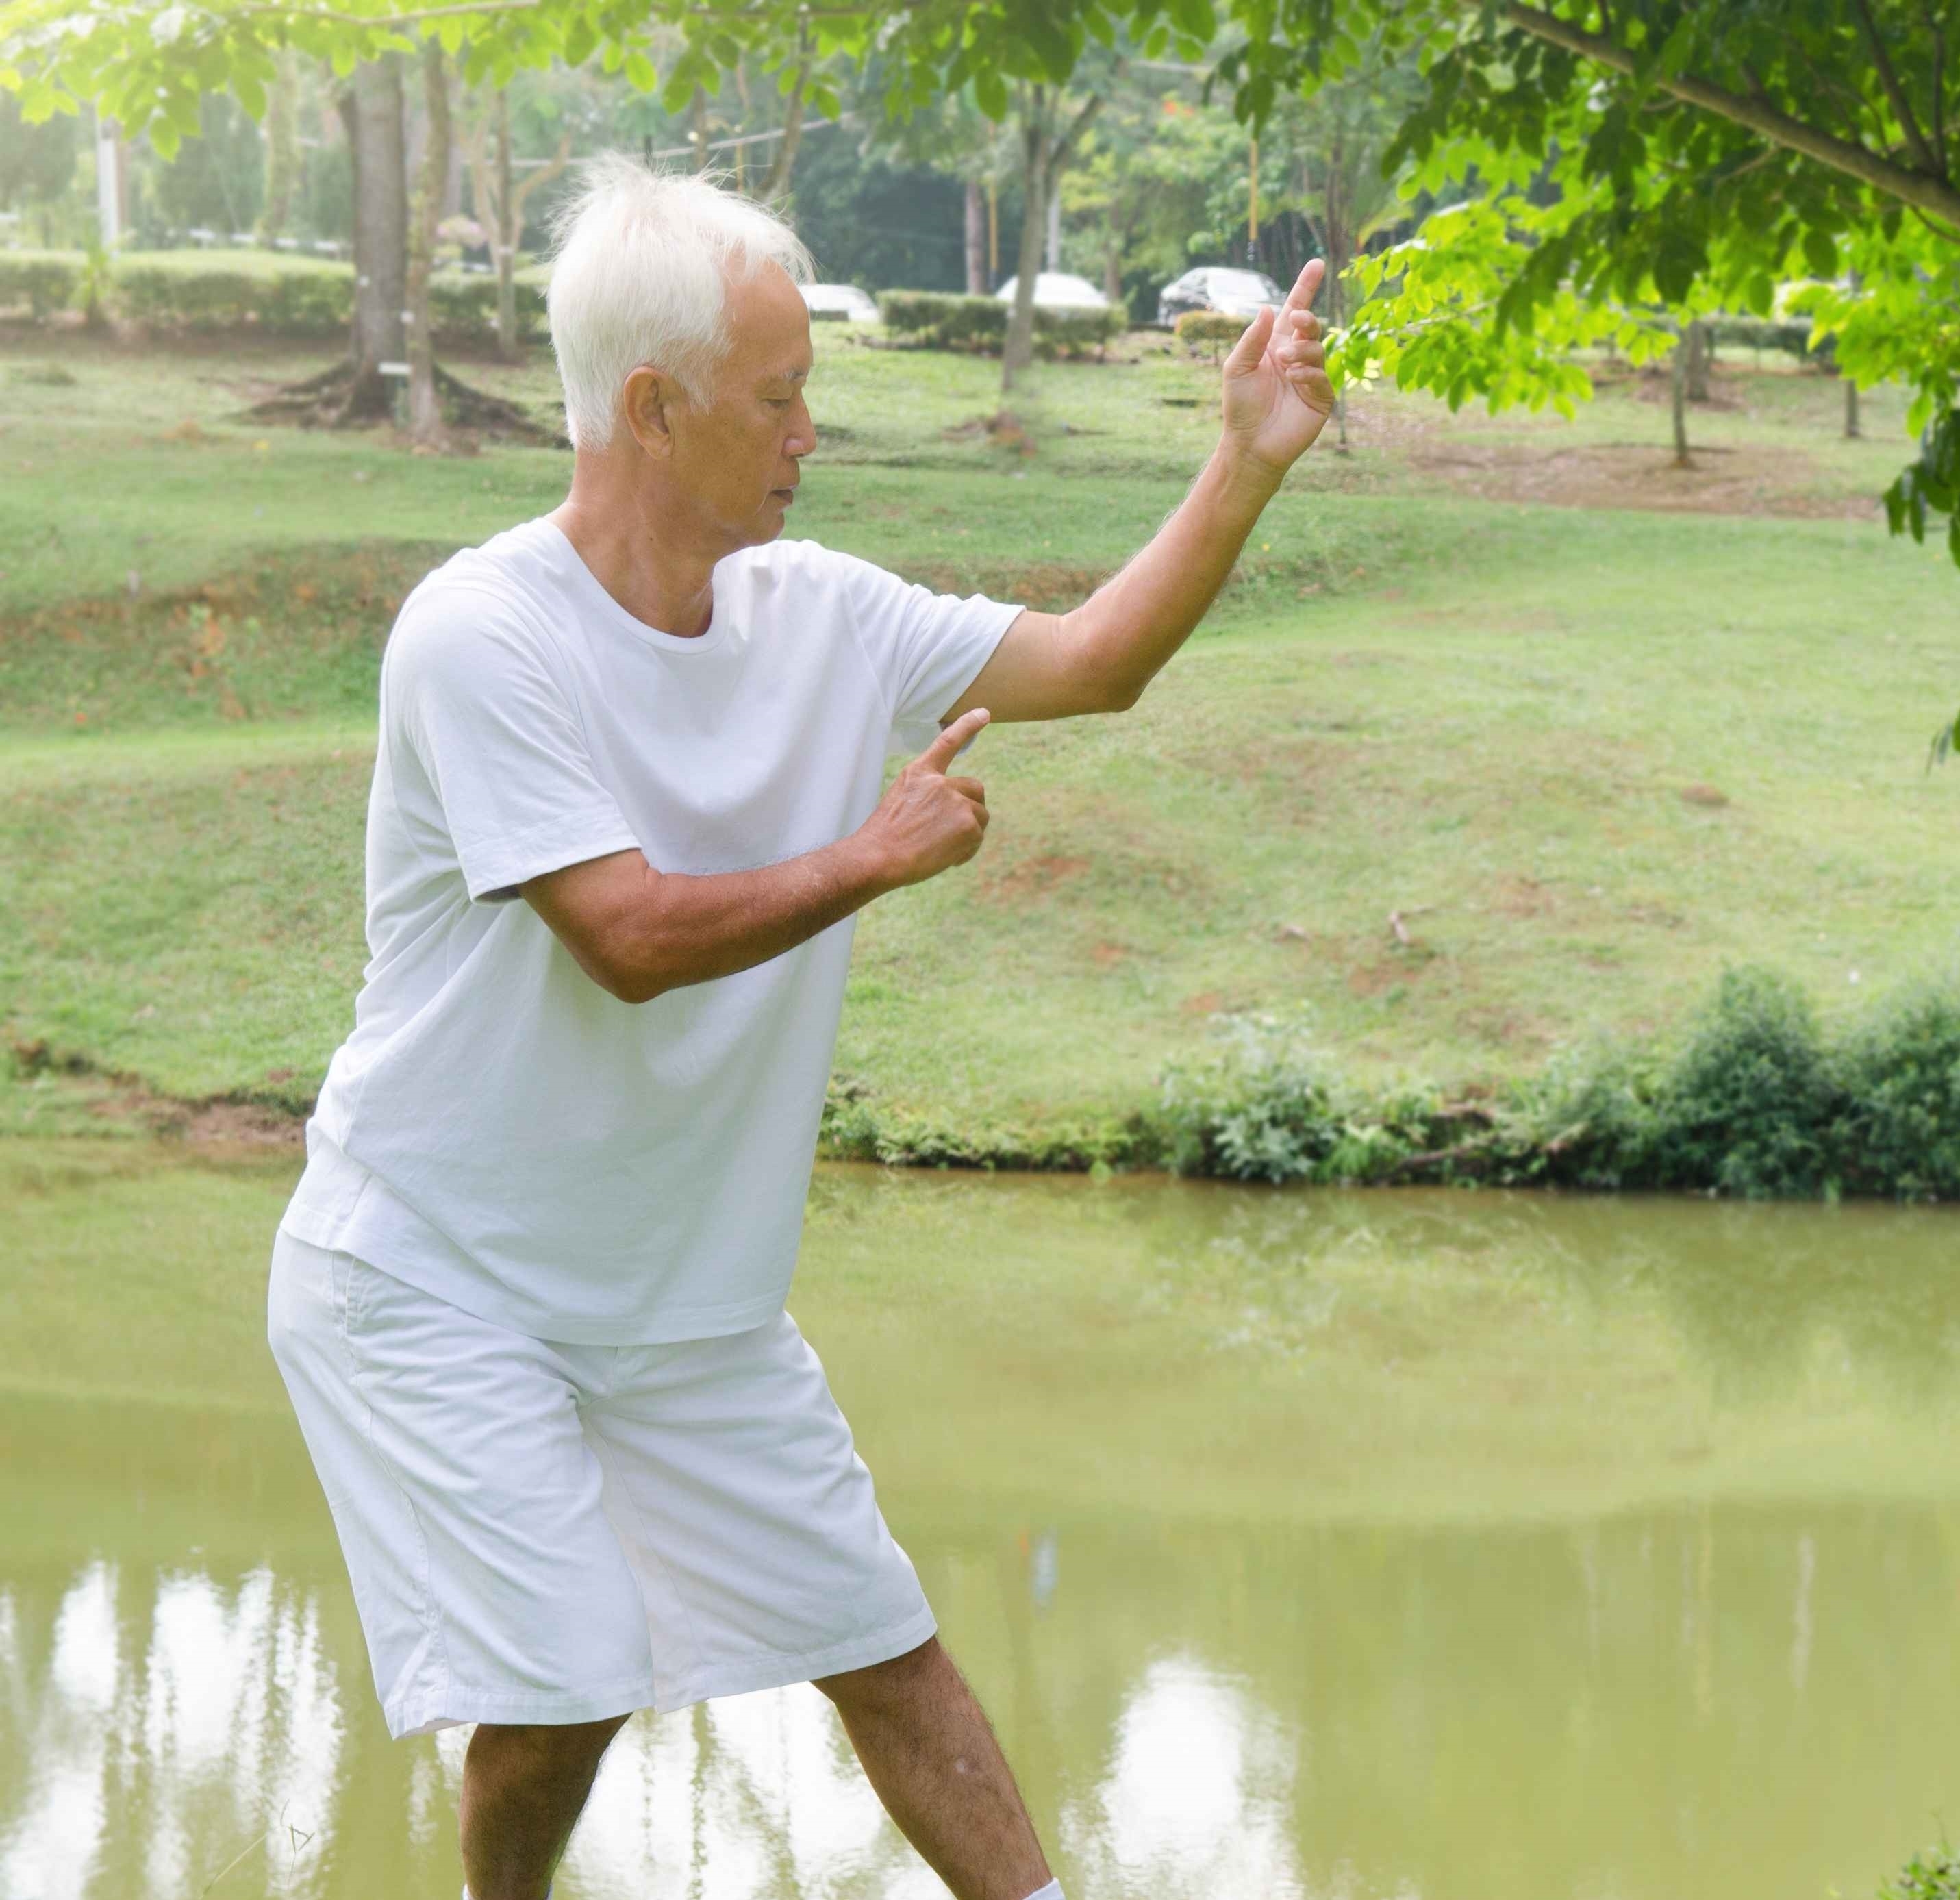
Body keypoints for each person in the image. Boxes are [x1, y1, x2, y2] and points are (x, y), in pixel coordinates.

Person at [262, 156, 1335, 1900]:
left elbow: (1092, 661)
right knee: (565, 1675)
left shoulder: (820, 611)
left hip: (684, 1306)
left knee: (888, 1647)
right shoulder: (479, 636)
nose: (807, 433)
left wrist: (1243, 459)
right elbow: (621, 936)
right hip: (437, 1278)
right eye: (779, 396)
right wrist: (872, 853)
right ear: (651, 405)